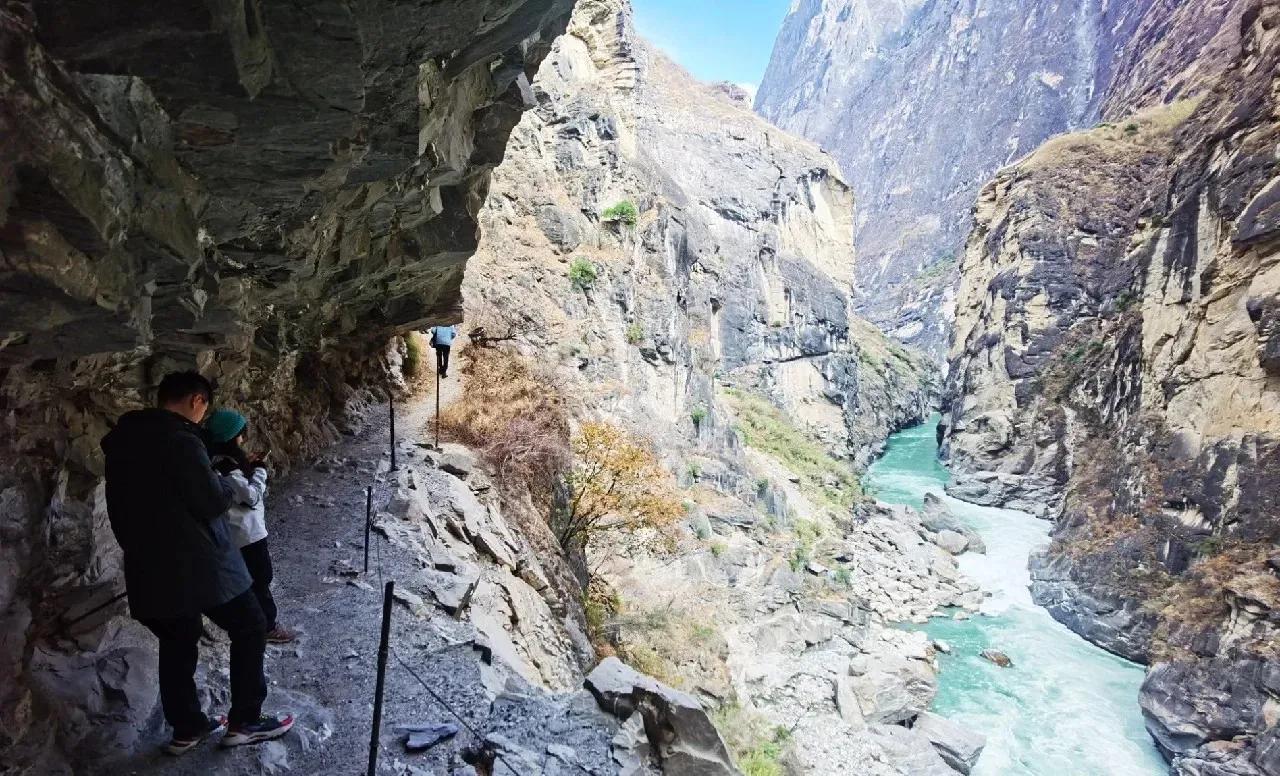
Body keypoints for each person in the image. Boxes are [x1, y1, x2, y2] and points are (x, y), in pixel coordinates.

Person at [101, 371, 294, 755]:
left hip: (146, 565)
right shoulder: (181, 441)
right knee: (251, 625)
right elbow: (210, 500)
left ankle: (186, 728)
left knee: (177, 639)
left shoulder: (122, 442)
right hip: (198, 563)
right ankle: (245, 721)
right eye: (203, 409)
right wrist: (224, 484)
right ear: (196, 401)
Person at [204, 409, 296, 644]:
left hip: (237, 533)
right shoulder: (227, 467)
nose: (243, 439)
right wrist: (260, 472)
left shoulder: (215, 461)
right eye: (241, 434)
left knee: (253, 579)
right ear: (232, 437)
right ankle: (267, 626)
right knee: (261, 578)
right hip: (247, 534)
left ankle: (258, 621)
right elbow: (251, 496)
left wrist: (249, 466)